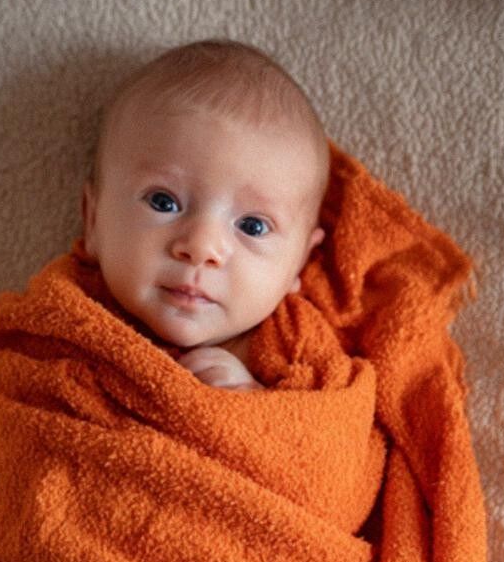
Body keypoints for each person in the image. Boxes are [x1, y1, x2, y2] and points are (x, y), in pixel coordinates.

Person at [79, 39, 329, 391]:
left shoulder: (295, 347)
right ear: (93, 221)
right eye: (163, 202)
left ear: (299, 263)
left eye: (253, 226)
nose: (201, 248)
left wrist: (249, 403)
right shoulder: (64, 320)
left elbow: (337, 423)